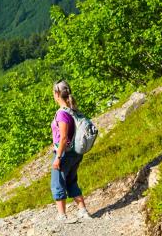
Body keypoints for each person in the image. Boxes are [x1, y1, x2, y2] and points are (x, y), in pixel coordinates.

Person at [51, 80, 92, 222]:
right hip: (76, 154)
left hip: (65, 154)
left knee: (58, 183)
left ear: (57, 94)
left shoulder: (62, 114)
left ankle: (62, 216)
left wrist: (58, 157)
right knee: (71, 182)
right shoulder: (73, 110)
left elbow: (63, 138)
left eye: (53, 93)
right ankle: (83, 211)